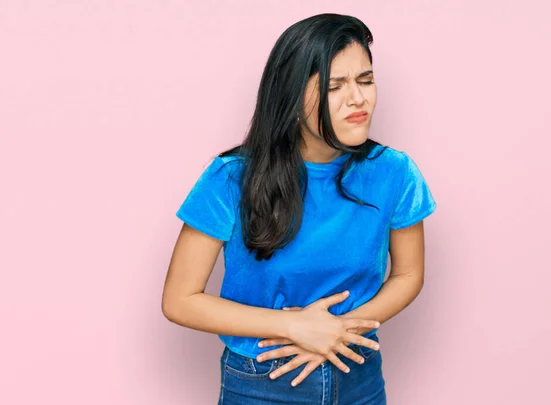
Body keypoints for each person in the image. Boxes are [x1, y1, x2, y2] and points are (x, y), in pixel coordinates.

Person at [162, 13, 437, 405]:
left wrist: (336, 331)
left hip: (356, 372)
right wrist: (294, 326)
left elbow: (409, 274)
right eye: (334, 86)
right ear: (291, 97)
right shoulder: (230, 179)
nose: (357, 98)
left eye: (365, 80)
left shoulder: (393, 172)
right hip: (261, 381)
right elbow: (179, 299)